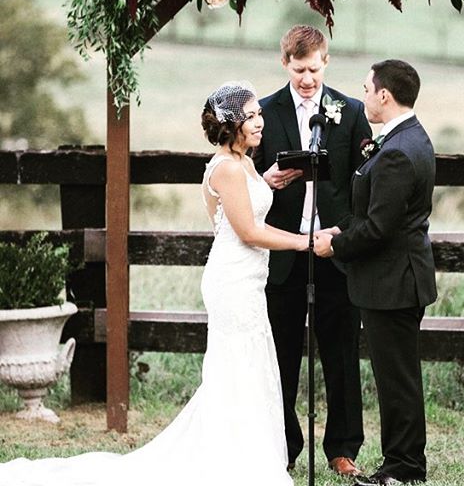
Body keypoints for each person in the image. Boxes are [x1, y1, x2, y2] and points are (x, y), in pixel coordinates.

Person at [0, 81, 308, 486]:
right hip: (233, 281)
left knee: (249, 364)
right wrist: (305, 242)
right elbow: (248, 232)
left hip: (247, 279)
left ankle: (242, 452)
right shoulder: (229, 168)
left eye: (259, 114)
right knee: (237, 365)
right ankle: (235, 462)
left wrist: (264, 182)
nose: (261, 122)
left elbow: (241, 208)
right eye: (252, 115)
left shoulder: (245, 165)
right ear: (232, 123)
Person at [254, 25, 371, 477]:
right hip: (282, 252)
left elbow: (364, 181)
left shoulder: (351, 110)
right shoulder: (263, 112)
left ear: (327, 61)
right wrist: (267, 180)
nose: (308, 78)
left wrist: (345, 230)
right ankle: (282, 447)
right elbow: (243, 182)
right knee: (279, 355)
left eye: (315, 69)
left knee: (341, 353)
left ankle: (343, 449)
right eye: (300, 69)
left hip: (333, 248)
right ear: (285, 63)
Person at [314, 60, 437, 486]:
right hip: (396, 278)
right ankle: (404, 465)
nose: (363, 94)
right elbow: (377, 217)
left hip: (393, 282)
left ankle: (402, 468)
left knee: (397, 381)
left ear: (384, 95)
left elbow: (379, 229)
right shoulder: (407, 139)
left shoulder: (399, 152)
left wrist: (335, 244)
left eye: (367, 88)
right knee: (397, 378)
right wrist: (341, 228)